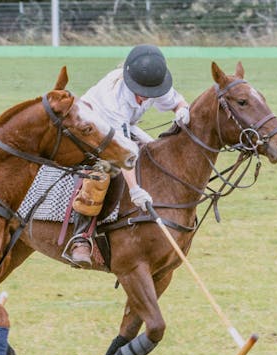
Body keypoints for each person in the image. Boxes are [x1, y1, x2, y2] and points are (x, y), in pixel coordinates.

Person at [68, 44, 190, 267]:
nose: (145, 98)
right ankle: (81, 237)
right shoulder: (114, 97)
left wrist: (182, 110)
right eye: (141, 92)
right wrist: (135, 191)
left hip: (122, 127)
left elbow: (177, 102)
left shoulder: (155, 83)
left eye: (150, 93)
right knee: (102, 172)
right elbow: (123, 152)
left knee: (155, 152)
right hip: (88, 126)